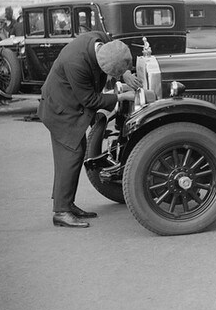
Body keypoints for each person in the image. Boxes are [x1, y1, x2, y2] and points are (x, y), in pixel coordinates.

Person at [38, 31, 144, 228]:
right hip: (60, 109)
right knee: (71, 156)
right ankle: (61, 212)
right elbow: (89, 100)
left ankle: (66, 203)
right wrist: (121, 97)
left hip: (67, 103)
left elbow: (114, 54)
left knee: (73, 155)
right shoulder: (75, 63)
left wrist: (125, 72)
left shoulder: (101, 40)